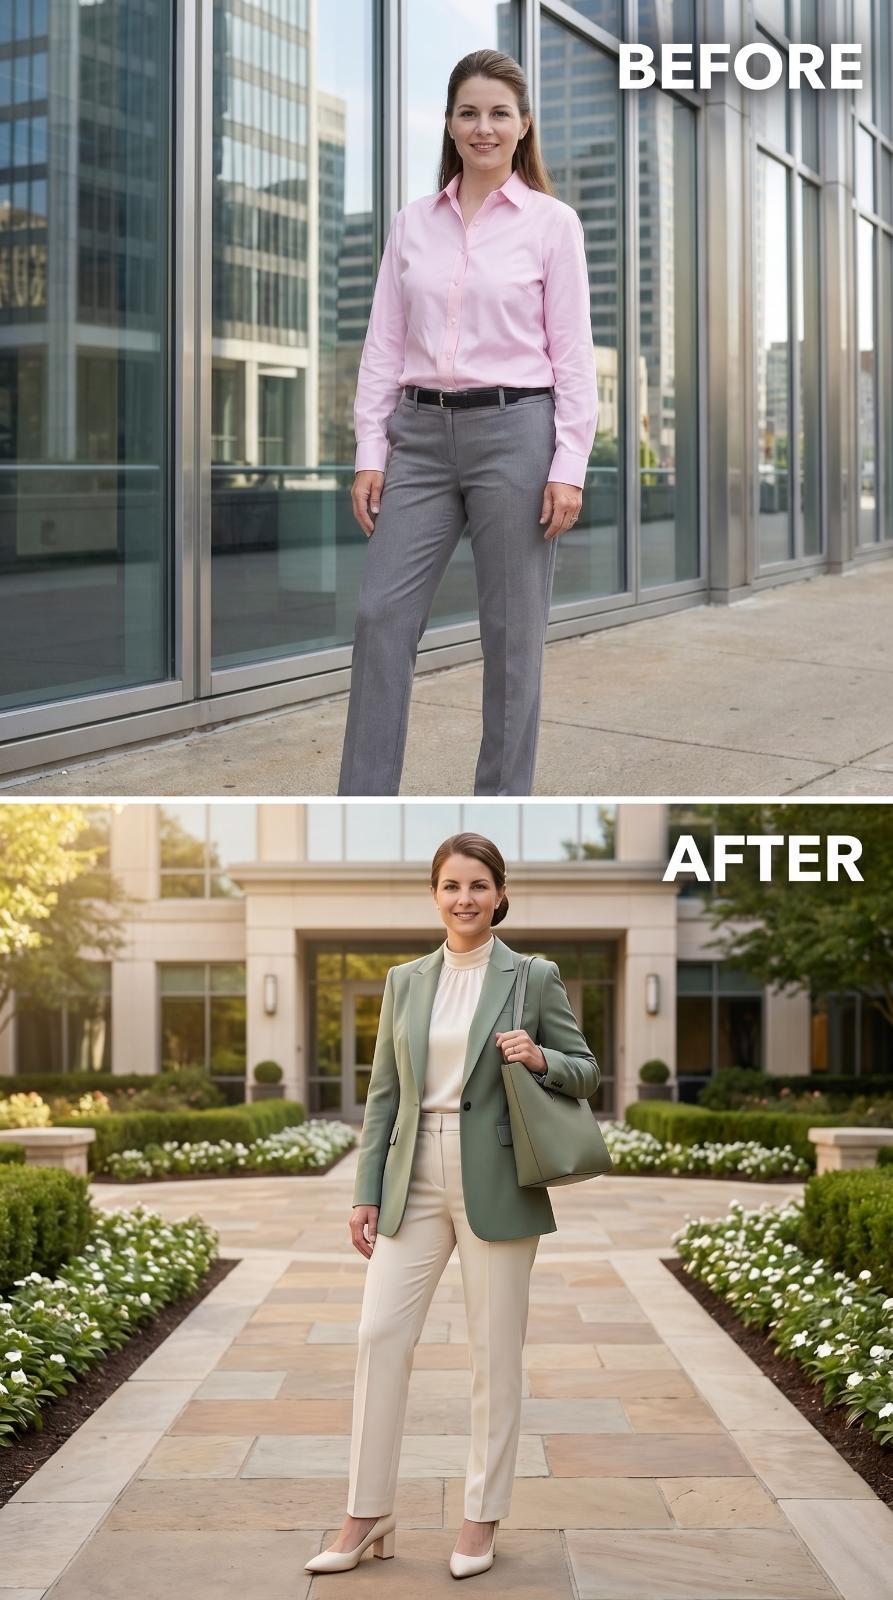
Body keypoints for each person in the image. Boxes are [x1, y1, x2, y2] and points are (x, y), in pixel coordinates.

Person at [305, 831, 600, 1579]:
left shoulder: (533, 975)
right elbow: (383, 1096)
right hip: (414, 1176)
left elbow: (586, 1072)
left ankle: (480, 1518)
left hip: (497, 1178)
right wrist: (365, 1189)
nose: (463, 898)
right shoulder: (405, 980)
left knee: (494, 1354)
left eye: (477, 885)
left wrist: (539, 1057)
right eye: (450, 886)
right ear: (433, 895)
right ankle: (366, 1513)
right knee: (378, 1336)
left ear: (500, 893)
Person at [337, 48, 599, 797]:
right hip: (417, 436)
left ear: (522, 128)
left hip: (515, 432)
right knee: (379, 616)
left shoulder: (552, 225)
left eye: (497, 113)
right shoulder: (412, 224)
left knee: (512, 641)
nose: (482, 127)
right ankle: (363, 801)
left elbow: (572, 354)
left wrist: (567, 465)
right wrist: (369, 449)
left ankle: (500, 806)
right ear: (450, 126)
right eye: (467, 112)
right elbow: (383, 345)